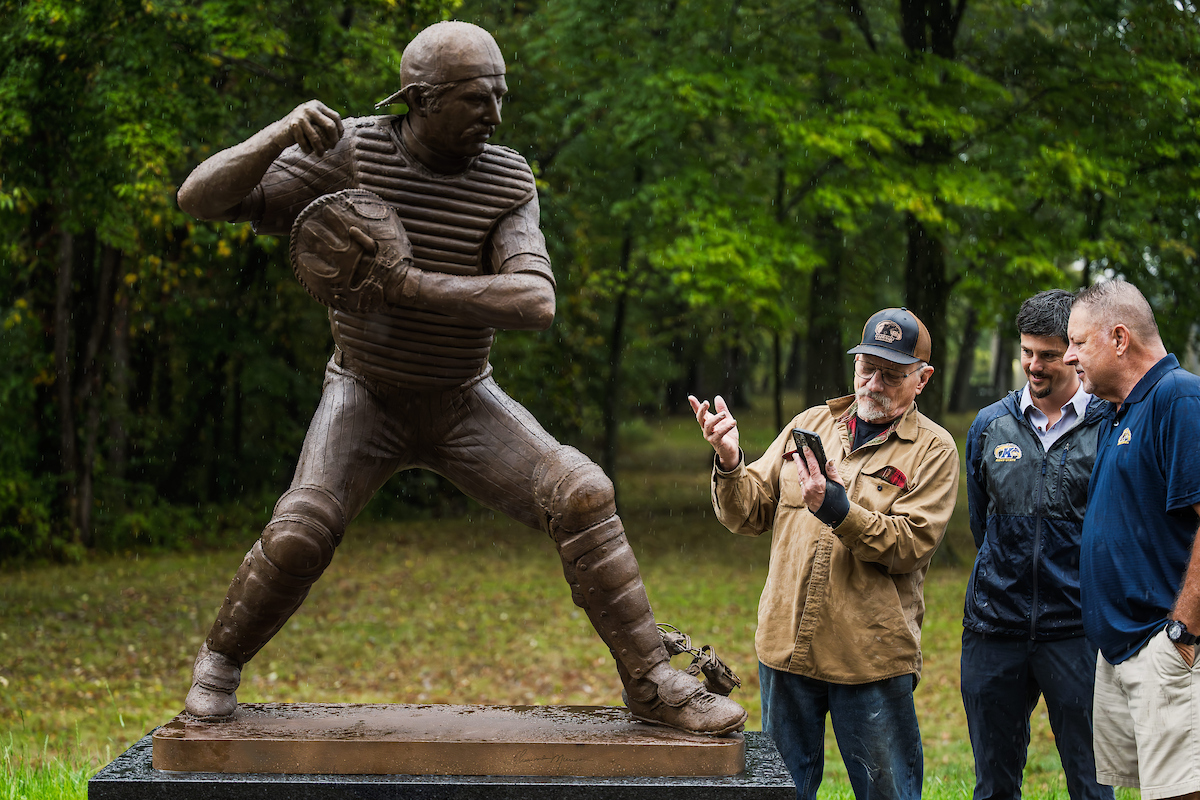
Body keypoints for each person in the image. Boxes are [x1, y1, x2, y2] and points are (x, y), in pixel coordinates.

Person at [175, 20, 746, 736]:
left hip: (462, 399)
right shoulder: (351, 151)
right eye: (477, 100)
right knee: (301, 530)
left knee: (582, 493)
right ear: (419, 98)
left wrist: (408, 285)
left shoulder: (506, 178)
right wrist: (279, 134)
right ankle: (219, 663)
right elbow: (199, 198)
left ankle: (653, 682)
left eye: (499, 97)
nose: (495, 116)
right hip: (364, 392)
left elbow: (535, 302)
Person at [689, 307, 959, 800]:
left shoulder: (933, 450)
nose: (873, 384)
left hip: (870, 659)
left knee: (888, 793)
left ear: (923, 379)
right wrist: (729, 461)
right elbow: (748, 512)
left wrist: (839, 510)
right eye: (865, 369)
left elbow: (911, 545)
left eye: (892, 375)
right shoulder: (810, 424)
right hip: (787, 649)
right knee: (782, 791)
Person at [962, 289, 1113, 800]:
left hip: (1076, 630)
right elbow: (982, 525)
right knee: (993, 786)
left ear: (1072, 352)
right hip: (993, 628)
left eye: (1047, 354)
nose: (1034, 365)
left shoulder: (1110, 426)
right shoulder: (989, 426)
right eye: (1026, 352)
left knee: (1092, 784)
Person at [1064, 280, 1200, 800]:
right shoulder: (1126, 407)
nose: (1070, 356)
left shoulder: (1178, 397)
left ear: (1119, 338)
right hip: (1123, 648)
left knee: (1181, 791)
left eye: (1078, 342)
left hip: (1163, 648)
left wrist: (1182, 634)